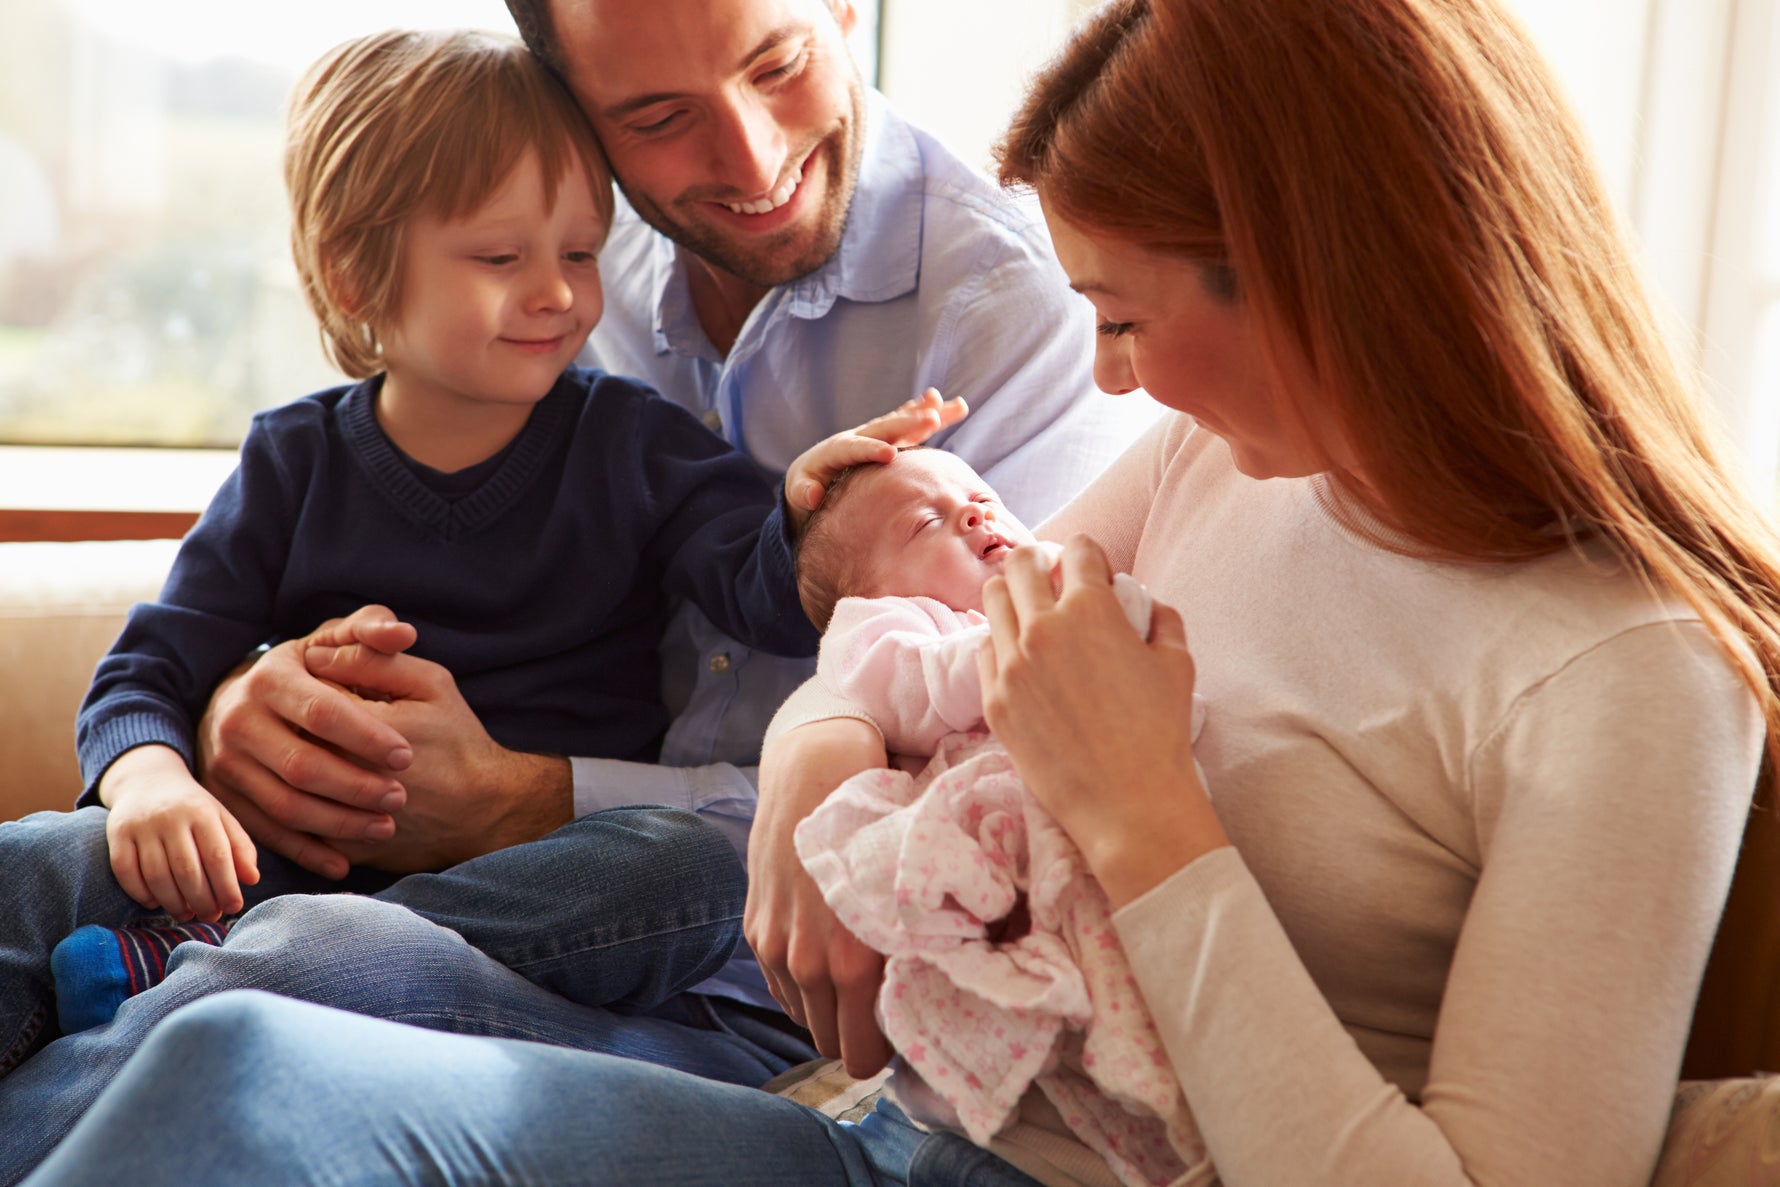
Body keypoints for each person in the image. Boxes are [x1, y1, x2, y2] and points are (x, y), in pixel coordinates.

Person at [22, 0, 1780, 1183]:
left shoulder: (1630, 676)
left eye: (1127, 318)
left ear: (1316, 271)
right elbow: (912, 617)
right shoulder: (1229, 465)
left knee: (253, 1047)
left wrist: (1154, 825)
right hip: (885, 1113)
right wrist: (816, 751)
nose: (1123, 383)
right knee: (226, 1062)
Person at [0, 0, 1135, 1176]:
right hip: (306, 855)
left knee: (684, 860)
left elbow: (753, 576)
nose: (558, 295)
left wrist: (813, 513)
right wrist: (197, 741)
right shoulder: (305, 446)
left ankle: (199, 960)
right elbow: (157, 657)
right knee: (35, 863)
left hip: (606, 906)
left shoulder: (640, 431)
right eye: (654, 116)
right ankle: (203, 953)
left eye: (576, 257)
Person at [787, 443, 1204, 1187]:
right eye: (927, 523)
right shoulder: (890, 631)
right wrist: (1067, 635)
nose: (975, 513)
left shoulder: (1054, 579)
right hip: (990, 849)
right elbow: (926, 686)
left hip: (1095, 844)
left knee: (1125, 985)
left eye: (980, 495)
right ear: (869, 592)